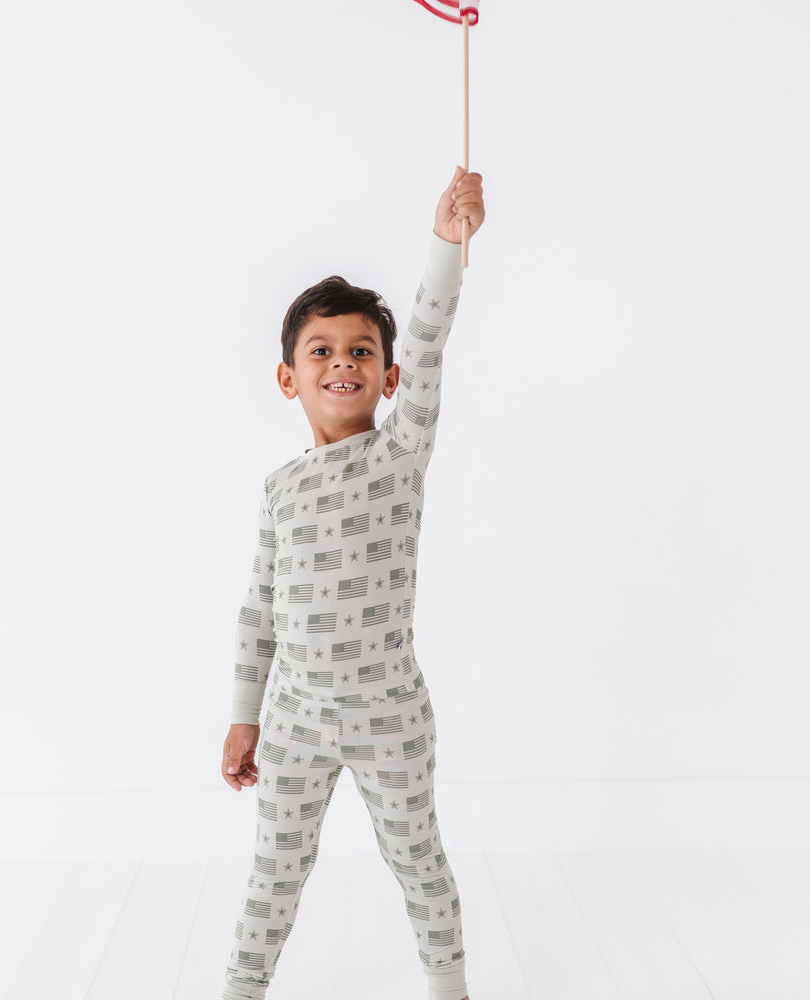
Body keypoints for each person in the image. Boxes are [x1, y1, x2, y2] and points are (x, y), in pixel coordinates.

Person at [220, 165, 485, 1000]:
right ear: (287, 376)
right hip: (294, 720)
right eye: (321, 351)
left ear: (389, 376)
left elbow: (433, 334)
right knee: (271, 877)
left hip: (389, 715)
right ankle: (240, 989)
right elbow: (258, 611)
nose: (344, 362)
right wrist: (243, 718)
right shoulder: (278, 490)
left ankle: (450, 989)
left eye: (362, 350)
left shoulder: (399, 456)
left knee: (419, 861)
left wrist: (448, 244)